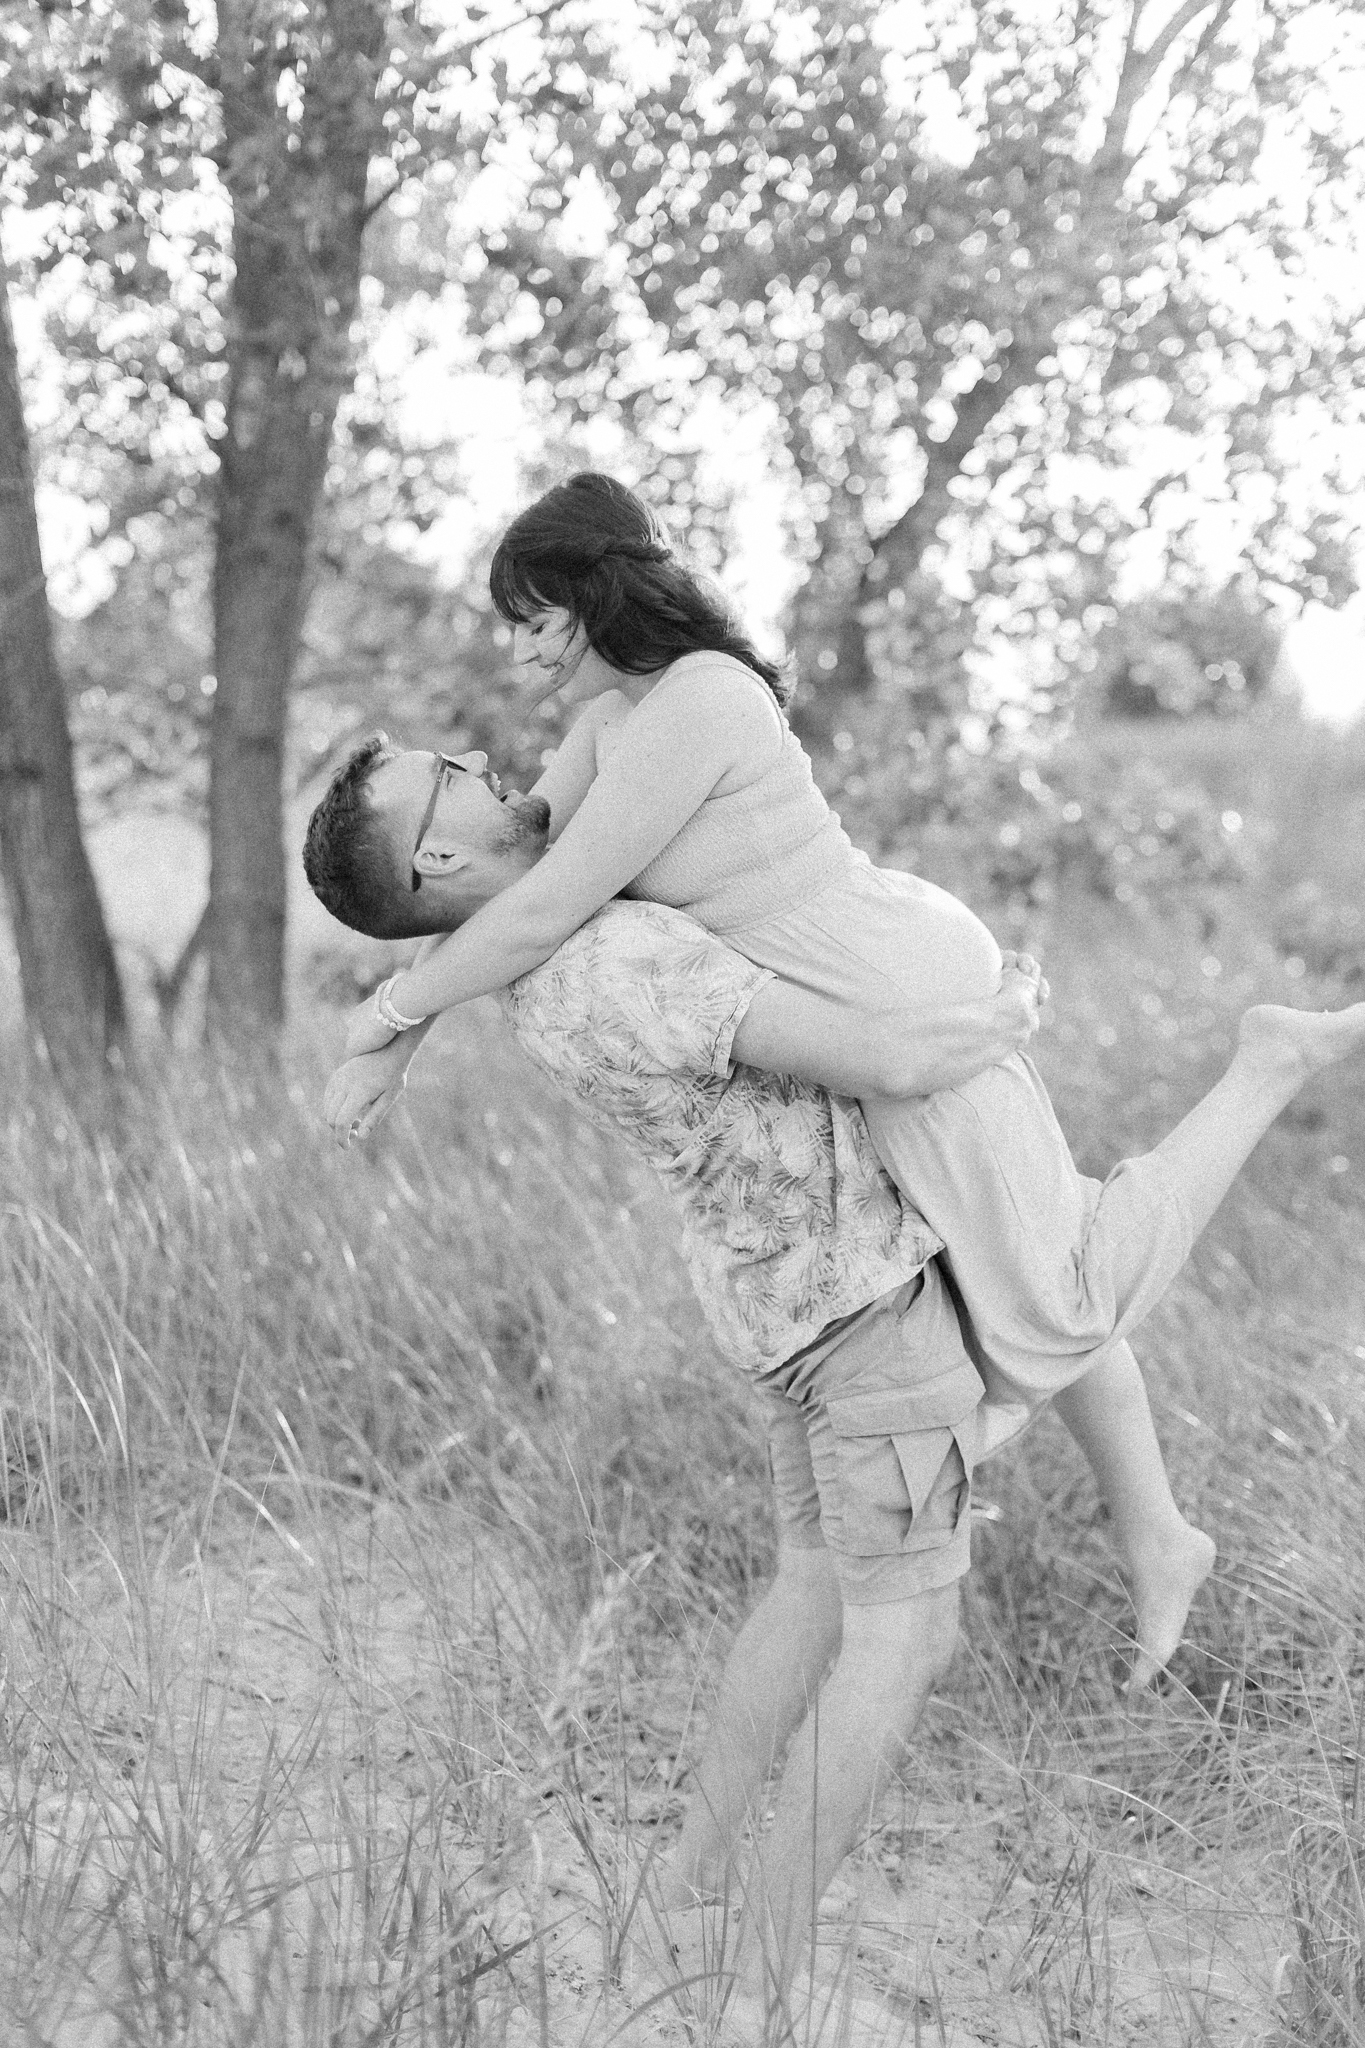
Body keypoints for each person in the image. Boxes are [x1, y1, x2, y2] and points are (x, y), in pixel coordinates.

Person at [304, 737, 1332, 2036]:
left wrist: (393, 1024)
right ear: (438, 853)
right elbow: (882, 1061)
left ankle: (681, 1896)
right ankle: (754, 1974)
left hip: (785, 1310)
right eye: (448, 771)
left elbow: (529, 870)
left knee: (808, 1589)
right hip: (868, 1316)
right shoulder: (614, 965)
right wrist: (994, 1014)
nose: (486, 760)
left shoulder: (526, 950)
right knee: (904, 1634)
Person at [331, 472, 1365, 1573]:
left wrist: (386, 1010)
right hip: (842, 990)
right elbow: (505, 886)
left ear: (599, 599)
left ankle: (1267, 1060)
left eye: (535, 623)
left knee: (1059, 1298)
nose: (523, 655)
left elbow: (545, 903)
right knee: (1023, 1259)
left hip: (883, 981)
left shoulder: (701, 698)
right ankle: (1160, 1535)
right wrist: (402, 1039)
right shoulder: (610, 721)